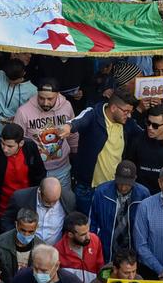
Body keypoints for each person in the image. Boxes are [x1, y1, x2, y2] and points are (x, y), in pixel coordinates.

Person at [56, 86, 143, 214]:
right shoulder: (93, 114)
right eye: (126, 111)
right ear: (113, 108)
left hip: (114, 186)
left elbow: (145, 134)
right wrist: (68, 127)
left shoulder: (127, 122)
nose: (129, 115)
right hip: (88, 187)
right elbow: (78, 121)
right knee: (85, 225)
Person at [0, 123, 47, 236]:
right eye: (3, 144)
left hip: (28, 209)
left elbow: (40, 175)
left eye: (10, 146)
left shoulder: (30, 148)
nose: (5, 149)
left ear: (21, 143)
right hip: (2, 211)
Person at [1, 177, 77, 241]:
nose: (51, 205)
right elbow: (7, 220)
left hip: (55, 250)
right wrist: (17, 238)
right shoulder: (20, 198)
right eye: (47, 201)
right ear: (39, 192)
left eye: (55, 202)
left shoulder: (69, 199)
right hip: (28, 248)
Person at [0, 208, 43, 283]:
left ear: (36, 228)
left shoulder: (42, 249)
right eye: (23, 230)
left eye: (31, 231)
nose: (26, 234)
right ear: (16, 225)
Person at [54, 211, 103, 283]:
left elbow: (100, 268)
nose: (88, 237)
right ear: (70, 235)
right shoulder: (57, 251)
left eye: (88, 232)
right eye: (83, 234)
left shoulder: (95, 240)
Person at [10, 244, 82, 283]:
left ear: (57, 266)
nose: (38, 273)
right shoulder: (21, 279)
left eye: (44, 270)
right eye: (35, 268)